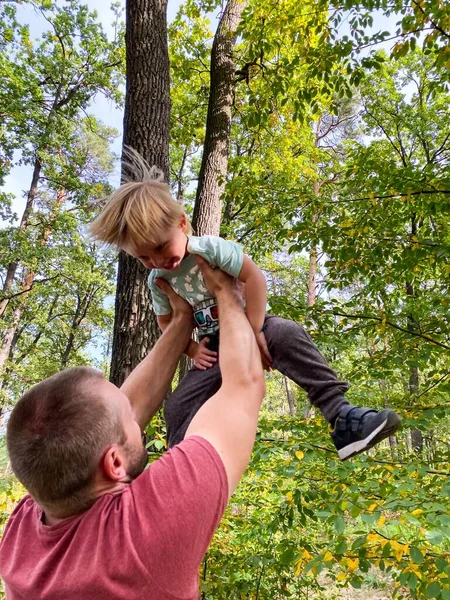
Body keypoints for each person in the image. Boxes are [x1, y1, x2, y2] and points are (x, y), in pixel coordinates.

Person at [90, 152, 400, 460]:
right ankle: (180, 467)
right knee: (177, 405)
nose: (157, 261)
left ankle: (341, 416)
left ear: (182, 224)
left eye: (160, 247)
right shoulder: (159, 280)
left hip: (250, 322)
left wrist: (256, 331)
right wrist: (193, 351)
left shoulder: (209, 249)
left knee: (288, 333)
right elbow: (167, 325)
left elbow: (254, 278)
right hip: (212, 345)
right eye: (144, 258)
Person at [0, 259, 266, 599]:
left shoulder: (21, 533)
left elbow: (111, 419)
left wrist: (181, 320)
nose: (135, 412)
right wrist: (225, 294)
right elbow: (243, 386)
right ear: (113, 464)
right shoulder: (142, 533)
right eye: (128, 415)